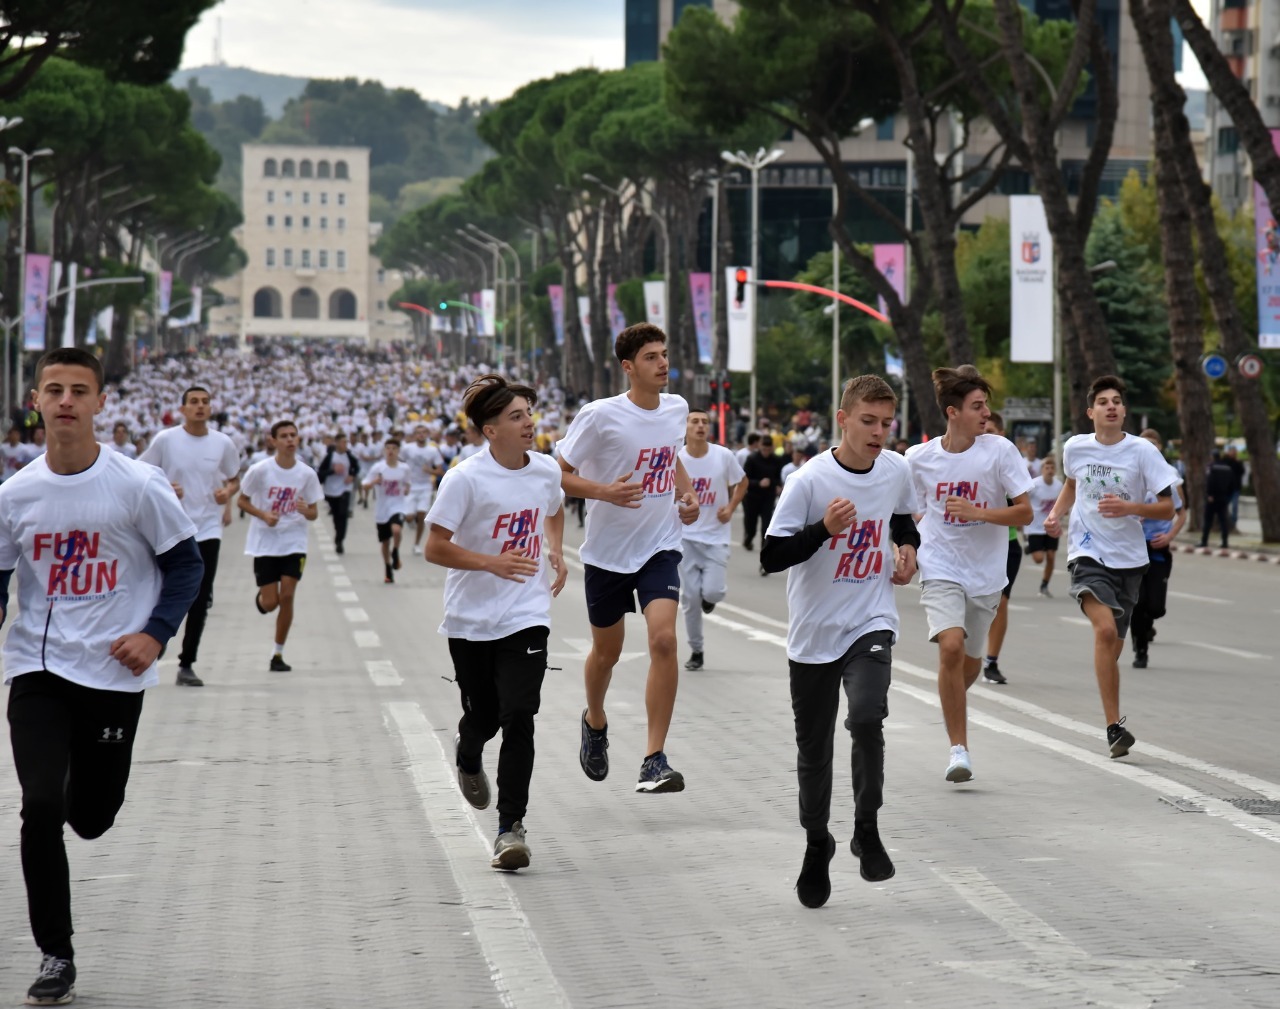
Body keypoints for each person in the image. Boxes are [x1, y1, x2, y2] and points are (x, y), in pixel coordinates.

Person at [1, 347, 203, 1005]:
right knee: (40, 807)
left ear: (100, 403)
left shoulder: (137, 484)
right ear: (36, 399)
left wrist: (155, 634)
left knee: (91, 816)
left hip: (113, 673)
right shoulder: (15, 493)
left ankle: (79, 783)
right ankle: (55, 953)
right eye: (53, 389)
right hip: (37, 666)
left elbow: (186, 566)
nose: (65, 401)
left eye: (78, 390)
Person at [761, 376, 919, 908]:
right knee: (814, 749)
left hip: (869, 617)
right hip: (813, 633)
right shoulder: (810, 481)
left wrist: (906, 550)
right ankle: (815, 843)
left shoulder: (896, 468)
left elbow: (902, 519)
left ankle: (866, 827)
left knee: (868, 716)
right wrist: (825, 529)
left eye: (886, 423)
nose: (878, 432)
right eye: (868, 421)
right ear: (843, 418)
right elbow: (771, 555)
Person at [425, 375, 567, 871]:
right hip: (470, 619)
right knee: (484, 717)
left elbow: (554, 509)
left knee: (519, 716)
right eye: (516, 417)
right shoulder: (464, 479)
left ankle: (511, 829)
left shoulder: (546, 470)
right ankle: (468, 753)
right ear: (490, 430)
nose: (528, 423)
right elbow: (434, 547)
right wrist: (492, 562)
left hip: (526, 615)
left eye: (529, 413)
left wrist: (555, 548)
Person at [555, 323, 699, 794]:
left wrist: (687, 493)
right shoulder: (600, 416)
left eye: (664, 354)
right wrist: (605, 492)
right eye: (652, 357)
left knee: (662, 642)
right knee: (607, 652)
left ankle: (654, 758)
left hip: (659, 546)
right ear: (628, 366)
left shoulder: (676, 408)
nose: (663, 364)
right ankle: (594, 721)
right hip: (607, 554)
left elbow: (670, 456)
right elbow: (558, 476)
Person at [905, 366, 1032, 783]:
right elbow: (904, 512)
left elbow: (1025, 512)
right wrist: (902, 550)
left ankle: (950, 695)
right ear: (952, 411)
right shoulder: (919, 459)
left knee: (968, 665)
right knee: (951, 647)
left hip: (986, 574)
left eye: (986, 406)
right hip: (940, 564)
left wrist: (978, 512)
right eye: (977, 406)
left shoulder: (999, 451)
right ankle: (959, 750)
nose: (985, 413)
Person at [1044, 376, 1178, 757]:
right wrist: (1055, 515)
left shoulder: (1142, 453)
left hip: (1130, 561)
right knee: (1104, 632)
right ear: (1091, 412)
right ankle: (1113, 728)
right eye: (1103, 401)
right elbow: (1071, 485)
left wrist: (1131, 507)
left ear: (1124, 411)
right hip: (1087, 553)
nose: (1111, 406)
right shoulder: (1075, 447)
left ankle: (1113, 721)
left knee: (1112, 648)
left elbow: (1168, 507)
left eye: (1117, 400)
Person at [139, 386, 243, 687]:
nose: (200, 407)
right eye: (193, 402)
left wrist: (228, 492)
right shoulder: (166, 440)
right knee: (162, 590)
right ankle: (158, 639)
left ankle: (187, 664)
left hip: (208, 528)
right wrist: (166, 488)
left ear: (211, 408)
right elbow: (142, 473)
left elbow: (234, 476)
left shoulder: (223, 443)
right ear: (182, 409)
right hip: (170, 526)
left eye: (205, 402)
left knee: (199, 596)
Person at [238, 419, 323, 672]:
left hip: (294, 542)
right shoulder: (260, 470)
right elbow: (241, 501)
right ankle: (263, 600)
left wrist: (306, 511)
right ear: (273, 441)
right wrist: (264, 515)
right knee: (271, 602)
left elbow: (315, 513)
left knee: (287, 596)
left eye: (293, 435)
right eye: (284, 436)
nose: (290, 440)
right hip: (265, 543)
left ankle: (278, 653)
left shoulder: (307, 474)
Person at [677, 406, 747, 671]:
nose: (700, 426)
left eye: (704, 422)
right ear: (685, 427)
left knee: (713, 591)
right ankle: (697, 651)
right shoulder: (677, 458)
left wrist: (730, 508)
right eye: (694, 421)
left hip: (716, 536)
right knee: (690, 597)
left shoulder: (723, 456)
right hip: (686, 537)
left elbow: (742, 482)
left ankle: (710, 599)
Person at [1130, 429, 1187, 669]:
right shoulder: (1130, 477)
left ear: (1160, 448)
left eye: (1153, 445)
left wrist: (1170, 535)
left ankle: (1146, 624)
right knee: (1139, 602)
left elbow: (1181, 513)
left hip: (1158, 548)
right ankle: (1140, 650)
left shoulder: (1168, 479)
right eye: (1144, 445)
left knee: (1155, 607)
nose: (1149, 450)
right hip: (1134, 548)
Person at [980, 412, 1023, 686]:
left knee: (1000, 603)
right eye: (985, 430)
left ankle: (991, 661)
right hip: (973, 545)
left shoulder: (1010, 463)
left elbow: (1024, 507)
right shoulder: (968, 462)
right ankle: (965, 651)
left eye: (994, 430)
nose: (989, 435)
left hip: (1006, 544)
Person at [362, 438, 411, 584]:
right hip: (382, 509)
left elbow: (408, 484)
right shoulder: (378, 468)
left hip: (398, 506)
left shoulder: (404, 468)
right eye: (388, 448)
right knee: (385, 542)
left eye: (394, 448)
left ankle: (395, 552)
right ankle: (388, 568)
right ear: (384, 451)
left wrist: (407, 488)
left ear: (398, 451)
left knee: (396, 530)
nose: (390, 451)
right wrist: (373, 482)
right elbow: (365, 485)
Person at [401, 424, 444, 551]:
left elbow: (440, 471)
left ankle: (416, 544)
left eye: (424, 432)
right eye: (418, 432)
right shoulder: (407, 448)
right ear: (414, 435)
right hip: (411, 485)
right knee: (408, 517)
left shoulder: (432, 450)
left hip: (425, 486)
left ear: (427, 435)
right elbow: (400, 464)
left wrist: (430, 470)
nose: (421, 435)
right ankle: (409, 520)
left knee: (421, 515)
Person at [1025, 455, 1064, 597]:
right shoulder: (1034, 484)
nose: (1049, 470)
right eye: (1047, 467)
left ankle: (1044, 585)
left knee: (1051, 556)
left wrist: (1063, 513)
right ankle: (1031, 547)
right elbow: (1023, 499)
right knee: (1039, 559)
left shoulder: (1059, 485)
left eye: (1052, 467)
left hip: (1052, 526)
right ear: (1042, 470)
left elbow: (1063, 501)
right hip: (1035, 526)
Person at [317, 432, 359, 555]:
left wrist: (351, 475)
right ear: (337, 443)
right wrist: (332, 471)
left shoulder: (350, 456)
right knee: (336, 516)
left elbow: (356, 467)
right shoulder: (330, 457)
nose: (346, 444)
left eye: (347, 442)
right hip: (331, 491)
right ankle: (337, 533)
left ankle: (340, 541)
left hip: (345, 489)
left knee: (343, 514)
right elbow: (320, 473)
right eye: (343, 442)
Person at [742, 434, 779, 552]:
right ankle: (748, 539)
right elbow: (745, 480)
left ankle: (765, 552)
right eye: (764, 449)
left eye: (769, 450)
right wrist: (758, 483)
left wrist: (777, 485)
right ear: (760, 447)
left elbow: (779, 477)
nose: (766, 452)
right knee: (751, 527)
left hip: (768, 497)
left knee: (766, 526)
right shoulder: (752, 459)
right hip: (752, 497)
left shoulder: (776, 460)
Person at [1201, 451, 1235, 549]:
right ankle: (1225, 542)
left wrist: (1209, 494)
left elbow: (1209, 481)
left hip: (1212, 498)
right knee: (1223, 521)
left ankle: (1204, 541)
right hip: (1223, 498)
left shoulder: (1211, 467)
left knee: (1208, 520)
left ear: (1212, 457)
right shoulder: (1228, 468)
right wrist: (1227, 496)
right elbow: (1232, 484)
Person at [1224, 445, 1245, 533]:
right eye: (1232, 451)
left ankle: (1233, 523)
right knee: (1224, 506)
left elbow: (1242, 471)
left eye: (1234, 452)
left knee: (1235, 506)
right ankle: (1225, 523)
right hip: (1226, 488)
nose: (1233, 453)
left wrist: (1237, 462)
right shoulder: (1226, 461)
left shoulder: (1238, 462)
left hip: (1235, 488)